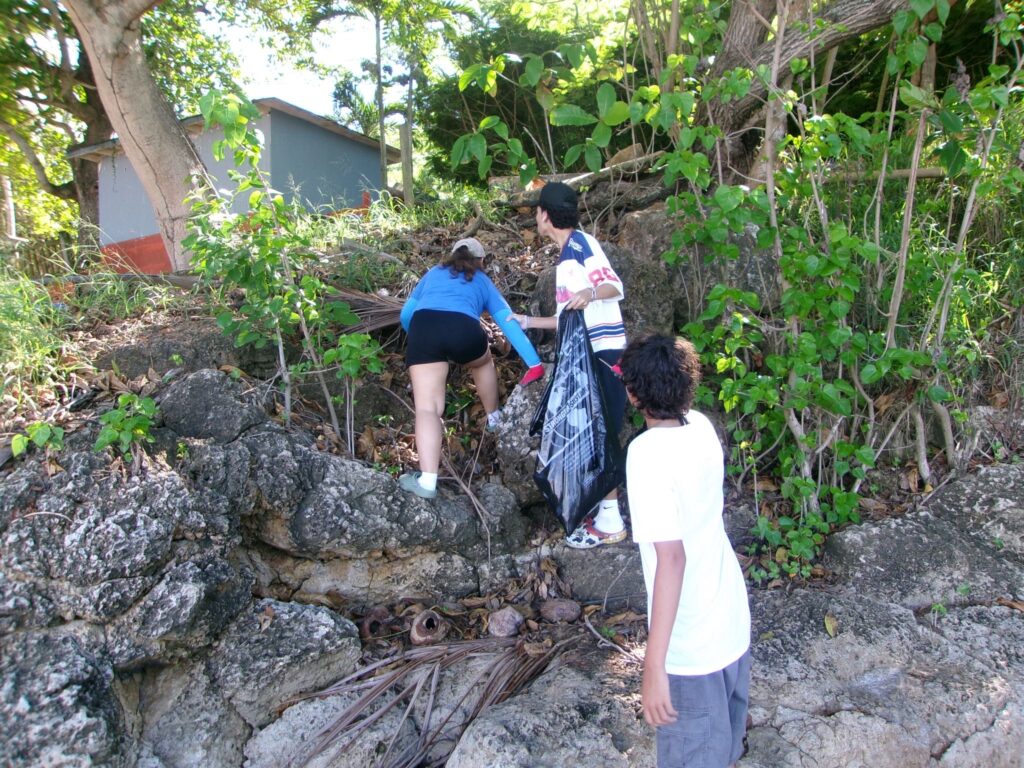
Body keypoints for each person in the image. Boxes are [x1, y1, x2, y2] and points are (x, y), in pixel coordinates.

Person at [618, 334, 752, 768]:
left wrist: (654, 666)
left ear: (634, 395)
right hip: (730, 621)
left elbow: (672, 559)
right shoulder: (701, 426)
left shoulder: (646, 455)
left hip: (693, 645)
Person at [512, 181, 628, 548]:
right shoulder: (566, 258)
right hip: (587, 353)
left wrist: (590, 292)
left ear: (545, 215)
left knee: (601, 431)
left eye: (537, 211)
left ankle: (611, 521)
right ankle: (601, 512)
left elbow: (613, 286)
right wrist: (526, 321)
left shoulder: (580, 245)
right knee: (591, 432)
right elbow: (567, 319)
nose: (536, 218)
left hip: (603, 352)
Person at [398, 237, 545, 499]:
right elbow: (507, 321)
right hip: (463, 330)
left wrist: (422, 339)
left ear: (452, 255)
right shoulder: (482, 281)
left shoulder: (433, 273)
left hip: (424, 327)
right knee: (483, 361)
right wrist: (534, 363)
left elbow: (406, 315)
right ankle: (494, 417)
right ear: (481, 261)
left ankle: (427, 481)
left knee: (427, 408)